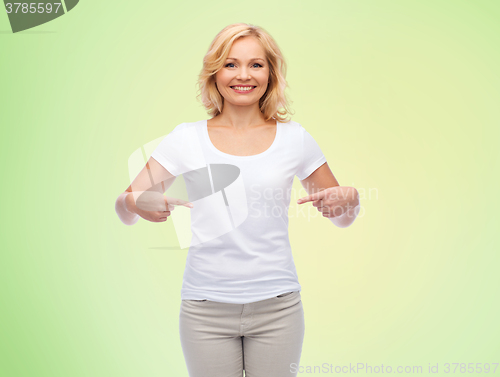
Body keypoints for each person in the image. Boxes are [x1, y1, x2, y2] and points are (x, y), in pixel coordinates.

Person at [115, 23, 360, 377]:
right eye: (230, 64)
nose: (243, 75)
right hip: (204, 311)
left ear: (271, 73)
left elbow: (341, 216)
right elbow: (124, 207)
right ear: (214, 73)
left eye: (256, 64)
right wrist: (136, 204)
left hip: (278, 309)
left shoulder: (295, 139)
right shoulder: (186, 138)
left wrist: (350, 201)